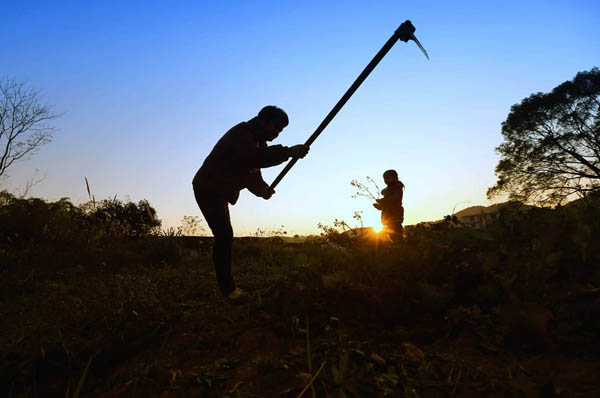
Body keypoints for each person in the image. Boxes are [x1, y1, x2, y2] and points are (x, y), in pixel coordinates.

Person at [193, 106, 309, 301]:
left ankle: (227, 288)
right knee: (224, 236)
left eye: (281, 131)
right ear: (263, 120)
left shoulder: (258, 142)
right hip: (208, 188)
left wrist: (262, 190)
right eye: (277, 128)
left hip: (219, 191)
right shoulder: (242, 133)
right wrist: (288, 152)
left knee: (224, 236)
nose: (277, 133)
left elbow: (252, 174)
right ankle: (228, 290)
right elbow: (252, 158)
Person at [373, 169, 405, 241]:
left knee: (397, 234)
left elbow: (393, 200)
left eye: (388, 178)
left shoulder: (397, 187)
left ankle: (401, 247)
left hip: (395, 215)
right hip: (389, 216)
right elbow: (387, 204)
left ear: (395, 177)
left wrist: (382, 201)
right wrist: (379, 206)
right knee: (393, 236)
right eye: (384, 179)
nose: (386, 180)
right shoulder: (389, 190)